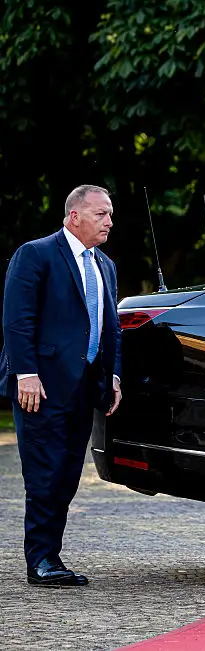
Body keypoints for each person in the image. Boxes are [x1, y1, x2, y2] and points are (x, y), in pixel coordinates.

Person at [0, 185, 123, 587]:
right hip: (41, 386)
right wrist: (25, 373)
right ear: (74, 216)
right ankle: (41, 562)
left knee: (68, 474)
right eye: (101, 214)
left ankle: (49, 556)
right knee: (44, 474)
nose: (109, 221)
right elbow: (17, 320)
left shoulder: (104, 264)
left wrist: (113, 376)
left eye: (109, 214)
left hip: (85, 387)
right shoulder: (36, 254)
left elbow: (111, 329)